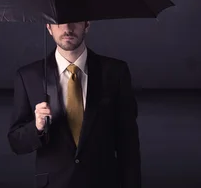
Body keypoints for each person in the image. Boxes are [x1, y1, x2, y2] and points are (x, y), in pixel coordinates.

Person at [7, 21, 141, 188]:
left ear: (87, 25)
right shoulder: (28, 76)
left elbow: (128, 143)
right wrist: (37, 127)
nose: (67, 29)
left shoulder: (115, 72)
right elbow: (16, 142)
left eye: (75, 21)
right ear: (48, 27)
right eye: (59, 23)